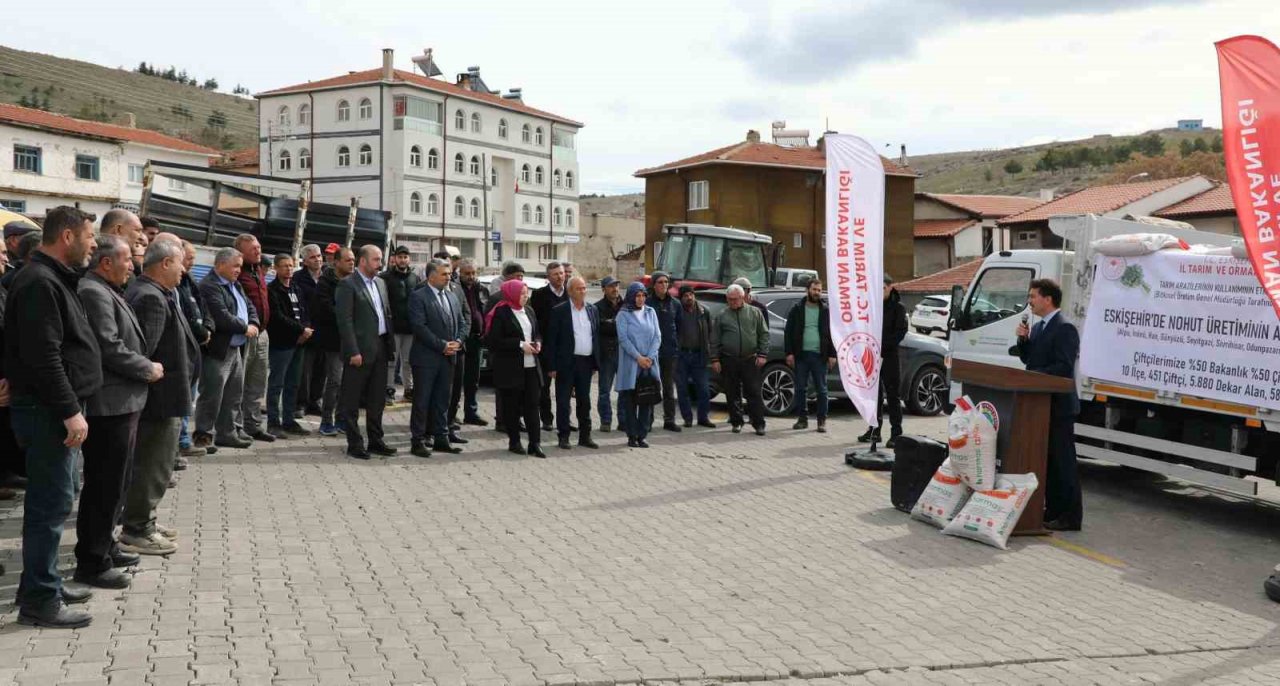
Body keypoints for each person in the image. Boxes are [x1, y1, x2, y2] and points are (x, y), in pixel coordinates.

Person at [4, 205, 100, 628]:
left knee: (57, 498)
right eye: (89, 237)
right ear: (67, 237)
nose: (93, 245)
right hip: (48, 412)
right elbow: (43, 355)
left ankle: (44, 584)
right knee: (49, 505)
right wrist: (69, 411)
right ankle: (40, 600)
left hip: (54, 408)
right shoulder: (40, 282)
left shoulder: (53, 277)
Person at [75, 234, 157, 587]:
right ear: (106, 262)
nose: (132, 265)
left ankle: (105, 544)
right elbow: (108, 346)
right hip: (109, 405)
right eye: (126, 259)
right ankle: (92, 561)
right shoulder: (93, 292)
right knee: (104, 485)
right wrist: (146, 367)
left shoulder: (107, 289)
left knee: (117, 482)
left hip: (123, 403)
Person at [121, 238, 197, 556]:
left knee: (155, 466)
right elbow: (144, 354)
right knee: (152, 466)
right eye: (180, 263)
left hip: (164, 399)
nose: (184, 270)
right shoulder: (150, 297)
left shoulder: (156, 292)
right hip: (158, 402)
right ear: (165, 263)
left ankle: (144, 519)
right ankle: (137, 528)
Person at [1014, 278, 1082, 531]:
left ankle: (1070, 516)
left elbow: (1063, 366)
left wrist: (1035, 376)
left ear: (1048, 299)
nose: (1029, 302)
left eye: (1033, 297)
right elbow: (1029, 360)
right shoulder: (1039, 327)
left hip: (1059, 407)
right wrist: (1023, 340)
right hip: (1041, 406)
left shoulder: (1065, 328)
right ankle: (1053, 511)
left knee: (1064, 464)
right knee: (1049, 463)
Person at [335, 245, 398, 460]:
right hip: (359, 352)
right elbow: (345, 321)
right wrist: (353, 350)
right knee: (352, 400)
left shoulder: (380, 283)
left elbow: (385, 314)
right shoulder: (347, 284)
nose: (380, 264)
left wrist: (389, 346)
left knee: (377, 399)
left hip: (380, 348)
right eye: (376, 259)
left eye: (380, 259)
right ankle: (355, 444)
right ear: (363, 261)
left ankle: (376, 440)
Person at [194, 247, 260, 450]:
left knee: (233, 394)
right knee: (212, 395)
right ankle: (203, 435)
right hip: (218, 349)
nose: (239, 270)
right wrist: (245, 327)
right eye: (235, 266)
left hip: (235, 348)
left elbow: (249, 306)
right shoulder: (209, 286)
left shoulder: (235, 284)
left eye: (240, 266)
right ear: (221, 264)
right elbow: (221, 315)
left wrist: (254, 322)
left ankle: (227, 433)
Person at [408, 258, 466, 457]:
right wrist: (442, 345)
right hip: (426, 359)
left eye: (449, 273)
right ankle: (418, 441)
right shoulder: (418, 296)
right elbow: (419, 327)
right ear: (431, 276)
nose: (449, 277)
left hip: (448, 358)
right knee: (422, 401)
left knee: (443, 400)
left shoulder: (452, 296)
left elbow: (462, 322)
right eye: (444, 274)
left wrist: (458, 341)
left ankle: (441, 438)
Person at [484, 280, 545, 458]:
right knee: (512, 407)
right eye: (522, 293)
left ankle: (535, 443)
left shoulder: (529, 311)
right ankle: (514, 441)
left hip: (531, 367)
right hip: (510, 368)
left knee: (533, 406)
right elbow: (494, 341)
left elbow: (537, 332)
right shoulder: (501, 312)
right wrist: (519, 344)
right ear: (512, 294)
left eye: (527, 293)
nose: (526, 296)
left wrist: (538, 343)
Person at [546, 276, 600, 450]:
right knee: (563, 401)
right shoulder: (559, 311)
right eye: (579, 288)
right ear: (570, 291)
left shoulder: (592, 309)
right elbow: (551, 340)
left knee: (584, 401)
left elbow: (595, 336)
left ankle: (585, 436)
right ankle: (563, 436)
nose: (583, 291)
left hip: (586, 362)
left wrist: (595, 363)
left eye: (584, 288)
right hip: (566, 363)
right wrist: (552, 366)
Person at [265, 254, 313, 437]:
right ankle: (273, 422)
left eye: (291, 266)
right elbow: (277, 317)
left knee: (293, 383)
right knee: (276, 383)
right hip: (282, 343)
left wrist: (305, 330)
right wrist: (300, 330)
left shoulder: (296, 288)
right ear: (276, 268)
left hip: (299, 342)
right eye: (284, 266)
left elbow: (305, 311)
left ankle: (289, 420)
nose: (289, 269)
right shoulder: (272, 290)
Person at [712, 284, 769, 436]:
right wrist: (715, 359)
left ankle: (758, 423)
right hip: (729, 359)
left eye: (735, 299)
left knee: (753, 392)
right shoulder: (722, 315)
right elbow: (715, 339)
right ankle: (736, 422)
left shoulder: (754, 312)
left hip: (750, 358)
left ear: (742, 297)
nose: (732, 302)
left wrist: (762, 354)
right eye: (729, 299)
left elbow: (764, 334)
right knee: (732, 393)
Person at [233, 234, 275, 441]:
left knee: (258, 382)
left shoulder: (257, 269)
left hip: (262, 333)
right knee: (239, 383)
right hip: (245, 334)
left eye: (259, 247)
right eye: (253, 249)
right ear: (241, 252)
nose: (258, 251)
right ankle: (235, 426)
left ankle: (253, 425)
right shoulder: (237, 272)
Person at [858, 276, 908, 446]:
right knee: (874, 395)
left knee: (893, 396)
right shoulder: (872, 307)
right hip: (873, 356)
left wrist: (883, 346)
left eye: (883, 288)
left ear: (890, 287)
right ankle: (874, 430)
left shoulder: (898, 308)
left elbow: (900, 332)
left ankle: (896, 433)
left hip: (889, 356)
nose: (880, 292)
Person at [311, 248, 354, 436]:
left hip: (351, 340)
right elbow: (325, 309)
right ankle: (326, 421)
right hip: (333, 340)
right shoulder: (325, 283)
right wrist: (346, 316)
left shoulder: (354, 282)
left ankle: (342, 419)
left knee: (348, 382)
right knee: (335, 380)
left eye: (353, 260)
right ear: (336, 262)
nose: (351, 263)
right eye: (347, 260)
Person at [784, 278, 837, 433]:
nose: (816, 293)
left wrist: (832, 354)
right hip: (801, 355)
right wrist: (789, 353)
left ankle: (821, 421)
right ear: (807, 290)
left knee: (822, 390)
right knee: (801, 388)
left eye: (819, 290)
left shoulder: (826, 310)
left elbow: (833, 334)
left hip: (820, 356)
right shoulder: (797, 309)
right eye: (814, 289)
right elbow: (788, 332)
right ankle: (802, 419)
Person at [176, 240, 213, 459]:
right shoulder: (174, 284)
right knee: (182, 400)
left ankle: (182, 440)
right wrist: (200, 332)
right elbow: (183, 315)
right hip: (185, 347)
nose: (192, 263)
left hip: (196, 346)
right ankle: (179, 442)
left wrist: (207, 328)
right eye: (189, 258)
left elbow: (202, 307)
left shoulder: (190, 281)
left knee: (189, 398)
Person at [616, 283, 661, 448]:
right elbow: (623, 339)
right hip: (631, 364)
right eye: (637, 296)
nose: (641, 299)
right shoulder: (623, 314)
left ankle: (642, 435)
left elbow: (657, 336)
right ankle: (632, 435)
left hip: (649, 364)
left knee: (646, 400)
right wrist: (638, 357)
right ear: (631, 297)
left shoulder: (650, 312)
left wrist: (649, 357)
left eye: (643, 295)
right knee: (630, 402)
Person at [530, 261, 569, 430]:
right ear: (548, 277)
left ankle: (565, 420)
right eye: (556, 274)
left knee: (565, 388)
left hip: (566, 349)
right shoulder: (539, 295)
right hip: (546, 348)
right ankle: (546, 419)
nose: (560, 277)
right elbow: (535, 322)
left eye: (562, 273)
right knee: (544, 387)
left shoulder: (570, 293)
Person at [674, 284, 715, 429]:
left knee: (704, 389)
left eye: (691, 295)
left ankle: (703, 418)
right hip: (681, 356)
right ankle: (687, 419)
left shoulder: (704, 311)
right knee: (682, 389)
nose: (689, 298)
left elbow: (711, 333)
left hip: (699, 355)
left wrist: (711, 353)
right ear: (681, 298)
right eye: (686, 296)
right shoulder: (677, 311)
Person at [382, 245, 420, 403]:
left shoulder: (415, 278)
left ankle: (408, 390)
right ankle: (389, 390)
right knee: (391, 361)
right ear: (395, 258)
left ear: (409, 259)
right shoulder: (385, 277)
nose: (403, 260)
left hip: (410, 328)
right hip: (393, 328)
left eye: (405, 257)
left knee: (408, 362)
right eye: (400, 257)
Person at [646, 271, 681, 432]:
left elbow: (679, 327)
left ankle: (669, 420)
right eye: (660, 282)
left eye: (666, 282)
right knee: (651, 387)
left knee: (668, 388)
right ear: (654, 285)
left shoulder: (675, 304)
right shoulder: (647, 303)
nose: (664, 285)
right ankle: (648, 420)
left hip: (669, 352)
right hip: (651, 352)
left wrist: (676, 345)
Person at [455, 259, 488, 426]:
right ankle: (452, 413)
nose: (471, 276)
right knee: (456, 380)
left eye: (473, 273)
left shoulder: (481, 289)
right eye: (467, 273)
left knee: (473, 379)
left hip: (476, 339)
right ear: (459, 273)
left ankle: (471, 412)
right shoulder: (454, 289)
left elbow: (485, 311)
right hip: (460, 339)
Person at [293, 244, 325, 416]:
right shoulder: (298, 278)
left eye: (319, 256)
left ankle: (316, 401)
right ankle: (301, 403)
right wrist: (303, 327)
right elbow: (297, 304)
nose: (318, 259)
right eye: (313, 257)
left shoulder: (328, 276)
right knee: (304, 370)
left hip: (325, 331)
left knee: (321, 369)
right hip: (306, 330)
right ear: (304, 261)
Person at [594, 277, 623, 432]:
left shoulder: (626, 305)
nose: (615, 289)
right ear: (603, 289)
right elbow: (600, 328)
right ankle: (606, 420)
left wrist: (611, 323)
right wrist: (616, 325)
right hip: (607, 354)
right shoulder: (597, 307)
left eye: (616, 286)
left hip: (624, 352)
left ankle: (623, 420)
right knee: (604, 390)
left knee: (625, 389)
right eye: (611, 286)